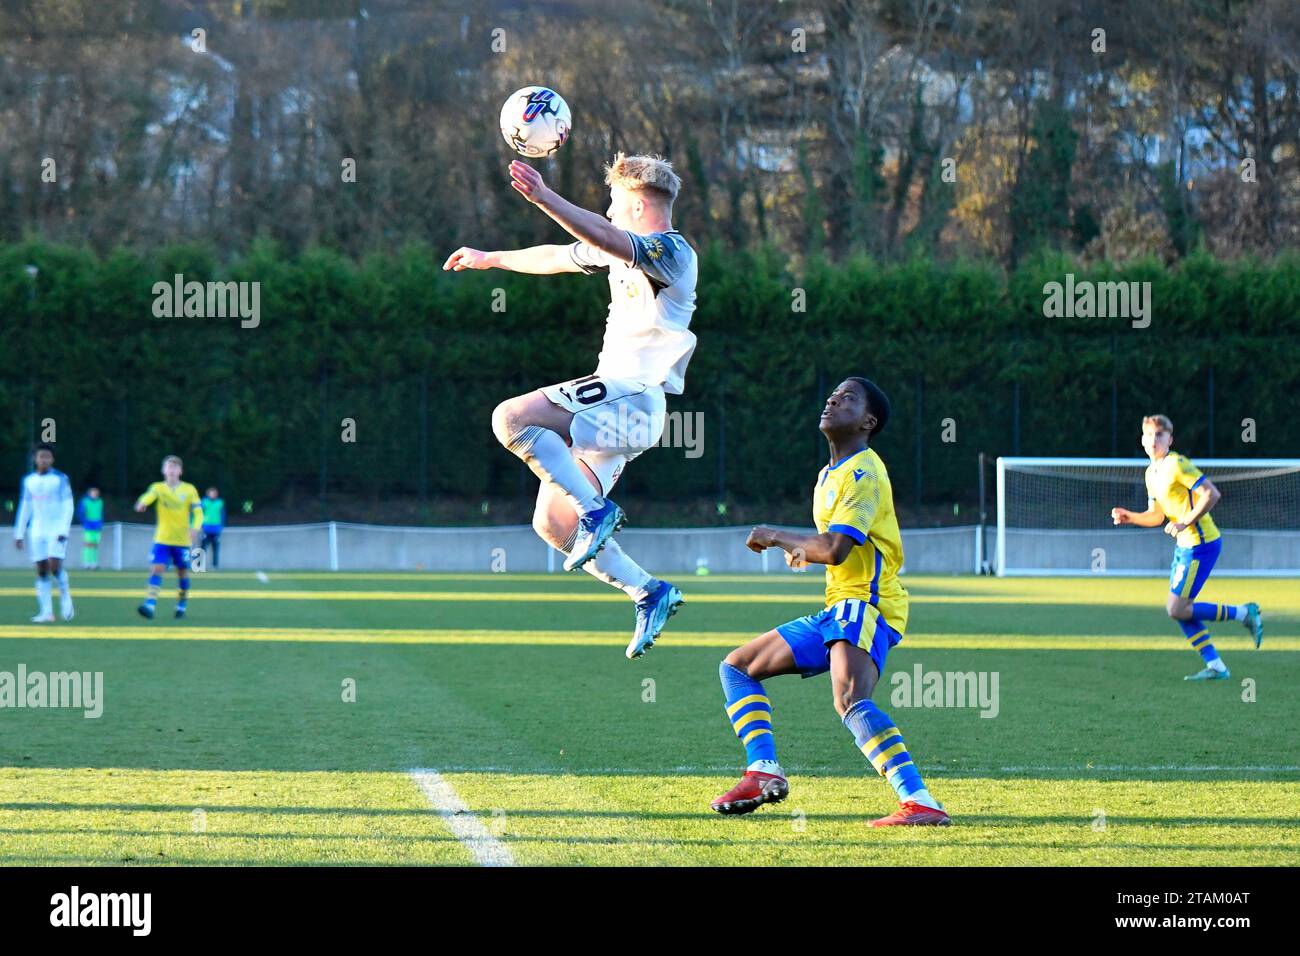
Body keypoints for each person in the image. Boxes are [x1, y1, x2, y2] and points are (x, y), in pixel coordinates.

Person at [445, 152, 696, 658]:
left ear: (640, 205)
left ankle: (596, 509)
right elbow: (557, 256)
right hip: (617, 412)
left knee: (510, 417)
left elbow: (606, 238)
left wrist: (545, 197)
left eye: (613, 202)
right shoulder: (619, 249)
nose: (606, 211)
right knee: (553, 525)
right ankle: (648, 591)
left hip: (633, 398)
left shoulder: (672, 252)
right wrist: (491, 258)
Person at [711, 378, 950, 827]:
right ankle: (762, 771)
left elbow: (836, 548)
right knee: (738, 668)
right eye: (833, 395)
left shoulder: (864, 472)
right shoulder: (829, 476)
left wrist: (776, 535)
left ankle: (921, 802)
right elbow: (830, 549)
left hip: (868, 604)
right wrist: (802, 549)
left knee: (850, 698)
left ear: (868, 421)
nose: (833, 400)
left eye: (848, 398)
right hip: (841, 604)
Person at [1110, 414, 1262, 680]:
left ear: (1170, 439)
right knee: (1180, 609)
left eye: (1160, 435)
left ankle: (1243, 613)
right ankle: (1215, 666)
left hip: (1201, 544)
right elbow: (1156, 515)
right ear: (1142, 440)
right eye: (1149, 435)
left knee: (1176, 608)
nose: (1154, 440)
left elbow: (1211, 494)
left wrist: (1184, 522)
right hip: (1185, 546)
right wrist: (1130, 517)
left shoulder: (1177, 464)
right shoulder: (1151, 473)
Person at [134, 455, 203, 620]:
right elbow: (147, 497)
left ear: (180, 471)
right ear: (163, 470)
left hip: (182, 540)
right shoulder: (158, 488)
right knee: (157, 568)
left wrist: (195, 528)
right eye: (168, 467)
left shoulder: (189, 489)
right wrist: (142, 503)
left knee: (182, 573)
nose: (171, 470)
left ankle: (181, 606)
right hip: (162, 539)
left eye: (175, 467)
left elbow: (198, 512)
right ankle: (149, 605)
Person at [14, 443, 75, 622]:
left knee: (54, 566)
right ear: (35, 459)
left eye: (47, 457)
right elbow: (25, 506)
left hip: (56, 529)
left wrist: (64, 529)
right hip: (37, 530)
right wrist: (19, 532)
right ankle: (46, 612)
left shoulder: (60, 479)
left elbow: (68, 505)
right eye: (41, 457)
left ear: (52, 459)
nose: (44, 460)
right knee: (41, 570)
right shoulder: (29, 481)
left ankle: (65, 595)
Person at [78, 486, 104, 569]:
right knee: (88, 544)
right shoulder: (85, 501)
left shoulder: (100, 501)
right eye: (93, 493)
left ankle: (94, 563)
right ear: (89, 494)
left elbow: (101, 513)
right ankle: (86, 562)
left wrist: (100, 523)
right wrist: (85, 522)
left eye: (96, 493)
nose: (95, 495)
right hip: (88, 525)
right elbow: (81, 513)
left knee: (95, 545)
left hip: (97, 525)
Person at [200, 486, 226, 570]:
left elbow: (223, 514)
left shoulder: (220, 502)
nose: (213, 494)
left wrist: (221, 526)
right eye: (212, 493)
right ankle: (199, 565)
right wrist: (200, 525)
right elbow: (199, 513)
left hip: (216, 528)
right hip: (206, 528)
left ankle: (215, 565)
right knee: (203, 547)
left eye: (215, 493)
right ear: (208, 494)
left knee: (215, 548)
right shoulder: (204, 502)